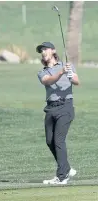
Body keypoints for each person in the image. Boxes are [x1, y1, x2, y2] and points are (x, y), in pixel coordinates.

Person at [36, 42, 80, 185]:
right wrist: (61, 72)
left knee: (59, 140)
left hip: (65, 106)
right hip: (50, 108)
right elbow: (47, 81)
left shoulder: (66, 65)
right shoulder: (42, 72)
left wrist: (69, 73)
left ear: (53, 51)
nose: (43, 52)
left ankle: (62, 176)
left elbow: (77, 81)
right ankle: (66, 168)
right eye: (41, 50)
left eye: (45, 49)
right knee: (50, 141)